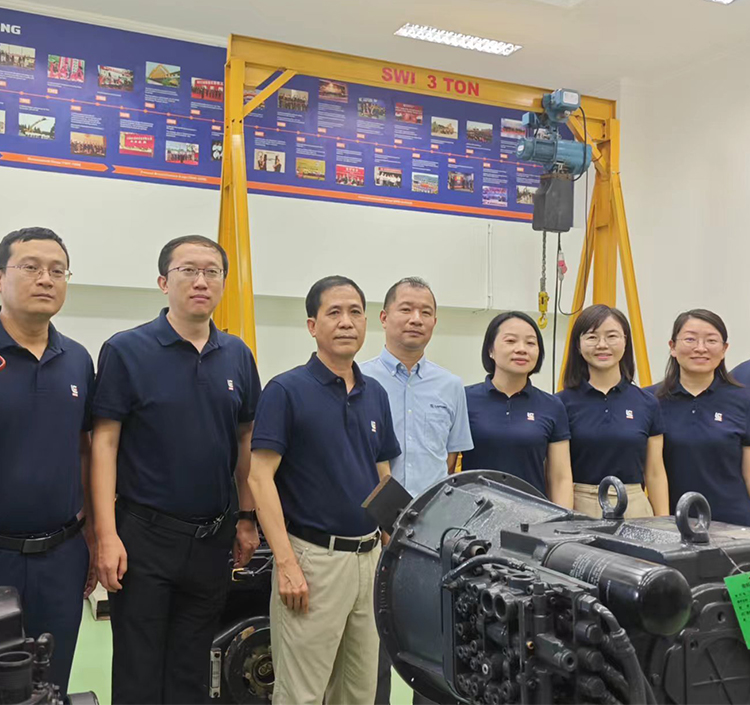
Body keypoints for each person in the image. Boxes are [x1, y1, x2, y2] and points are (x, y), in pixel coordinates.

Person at [91, 235, 262, 704]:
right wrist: (106, 536)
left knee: (193, 669)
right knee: (139, 668)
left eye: (212, 271)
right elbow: (104, 443)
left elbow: (245, 439)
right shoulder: (126, 350)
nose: (201, 281)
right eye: (188, 270)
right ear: (164, 282)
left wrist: (247, 519)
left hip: (212, 539)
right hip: (143, 537)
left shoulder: (238, 354)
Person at [249, 275, 401, 705]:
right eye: (334, 312)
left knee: (359, 692)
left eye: (355, 312)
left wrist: (392, 547)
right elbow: (259, 478)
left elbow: (382, 474)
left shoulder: (375, 394)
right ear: (312, 326)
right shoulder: (286, 390)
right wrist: (286, 564)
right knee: (302, 694)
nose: (346, 321)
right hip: (313, 561)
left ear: (367, 322)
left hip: (368, 560)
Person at [360, 277, 473, 705]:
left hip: (430, 537)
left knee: (432, 643)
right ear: (384, 317)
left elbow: (451, 460)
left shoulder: (451, 386)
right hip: (370, 531)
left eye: (426, 312)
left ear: (435, 322)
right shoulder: (359, 379)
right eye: (406, 309)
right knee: (370, 647)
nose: (416, 319)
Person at [0, 227, 95, 695]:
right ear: (1, 277)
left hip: (62, 556)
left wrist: (93, 536)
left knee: (52, 682)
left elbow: (86, 449)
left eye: (58, 271)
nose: (46, 279)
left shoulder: (77, 360)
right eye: (31, 267)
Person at [557, 305, 669, 518]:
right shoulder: (560, 403)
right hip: (579, 505)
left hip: (635, 507)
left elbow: (655, 472)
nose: (602, 345)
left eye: (612, 336)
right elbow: (557, 475)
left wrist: (664, 522)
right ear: (578, 345)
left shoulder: (647, 403)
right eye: (592, 337)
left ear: (625, 342)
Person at [648, 309, 750, 526]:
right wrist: (661, 523)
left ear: (724, 349)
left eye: (711, 340)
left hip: (735, 525)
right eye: (690, 339)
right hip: (673, 524)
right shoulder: (649, 400)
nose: (700, 348)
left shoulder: (744, 400)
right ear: (672, 347)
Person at [462, 311, 573, 507]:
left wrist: (563, 521)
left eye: (530, 343)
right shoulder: (464, 399)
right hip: (474, 513)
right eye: (511, 341)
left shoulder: (552, 406)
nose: (521, 349)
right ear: (490, 350)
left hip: (532, 516)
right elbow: (447, 467)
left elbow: (560, 477)